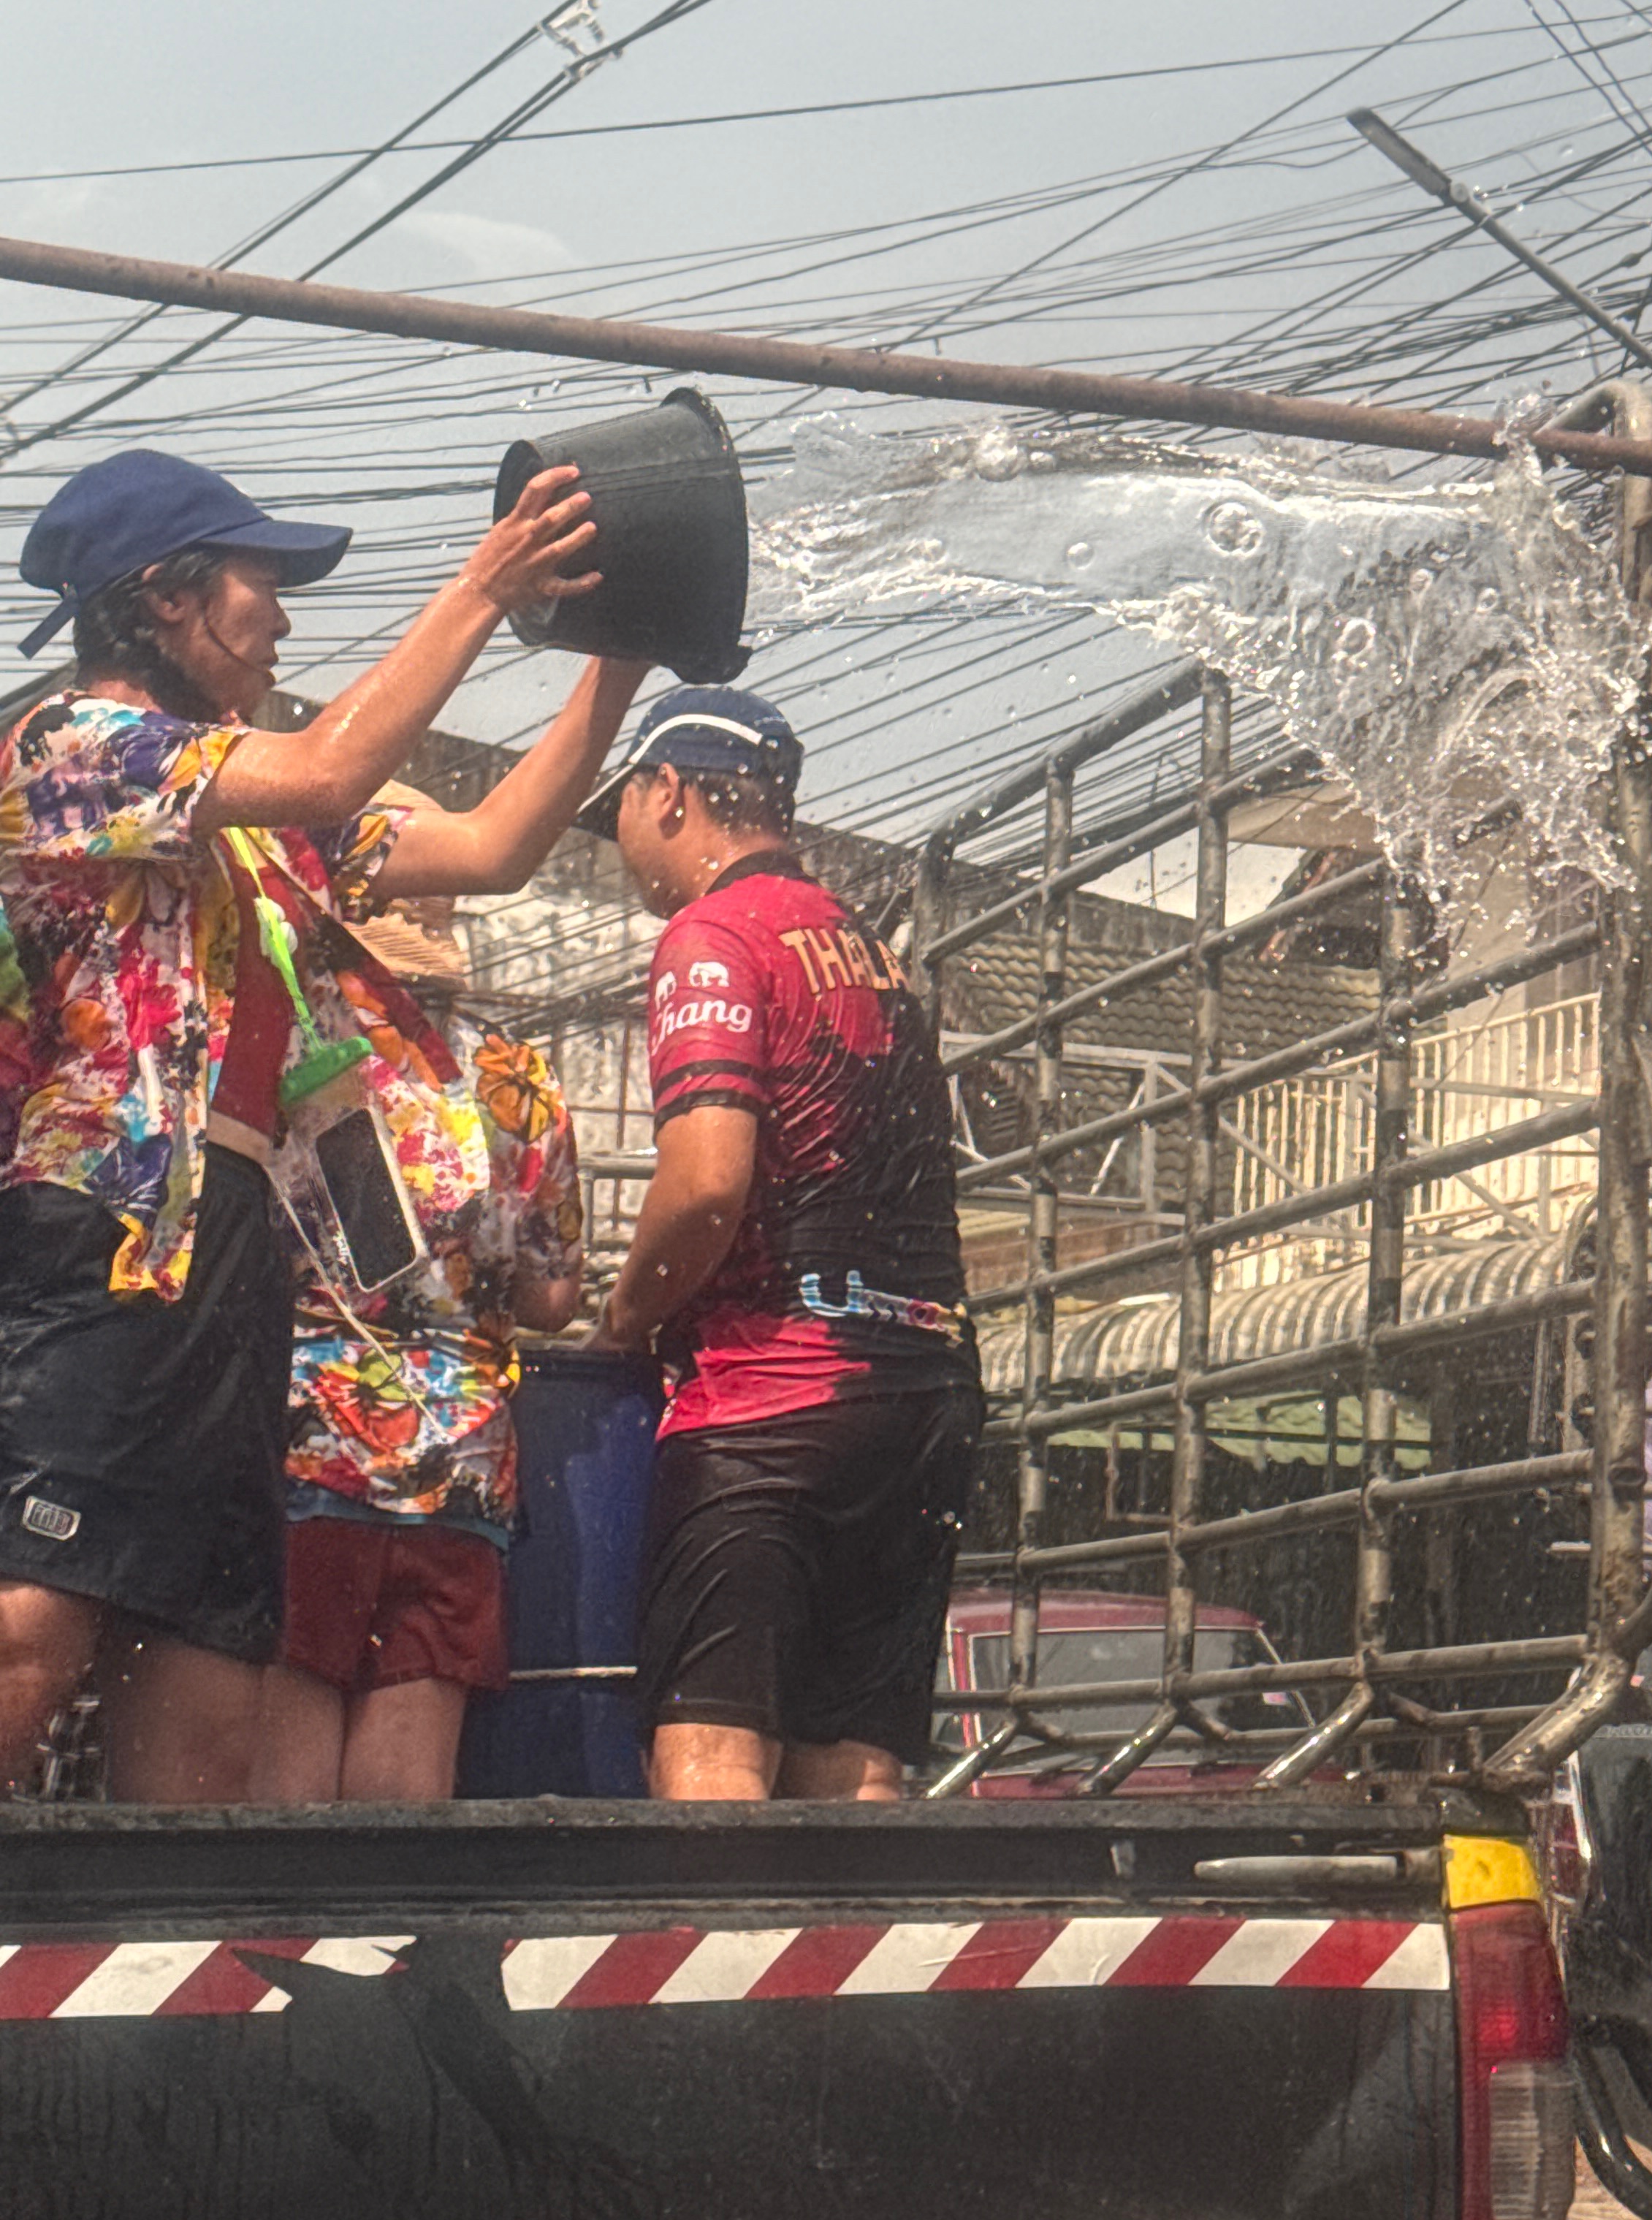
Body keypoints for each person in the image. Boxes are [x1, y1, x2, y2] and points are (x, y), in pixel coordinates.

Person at [0, 444, 642, 1802]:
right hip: (100, 1237)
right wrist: (483, 585)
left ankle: (165, 1993)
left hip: (232, 1252)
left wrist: (623, 655)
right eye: (261, 583)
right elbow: (332, 767)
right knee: (31, 1629)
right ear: (166, 599)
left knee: (209, 1675)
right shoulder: (72, 747)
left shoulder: (254, 820)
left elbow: (487, 851)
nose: (282, 617)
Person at [585, 684, 980, 1804]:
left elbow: (708, 1186)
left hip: (775, 1398)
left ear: (669, 794)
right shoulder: (871, 951)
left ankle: (716, 1979)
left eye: (621, 808)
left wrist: (628, 1317)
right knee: (855, 1767)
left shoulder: (712, 933)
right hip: (923, 1396)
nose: (621, 845)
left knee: (712, 1756)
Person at [252, 793, 584, 1803]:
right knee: (407, 1786)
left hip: (304, 1439)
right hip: (460, 1464)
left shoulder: (282, 1042)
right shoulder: (513, 1073)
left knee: (282, 1783)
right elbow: (555, 1293)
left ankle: (274, 1959)